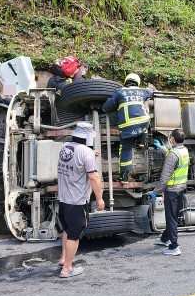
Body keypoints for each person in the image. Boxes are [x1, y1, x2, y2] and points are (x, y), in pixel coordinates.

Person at [57, 122, 105, 278]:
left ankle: (63, 259)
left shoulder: (65, 147)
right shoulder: (86, 153)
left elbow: (77, 158)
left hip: (63, 198)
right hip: (76, 200)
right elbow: (94, 177)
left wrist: (91, 154)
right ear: (88, 137)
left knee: (67, 229)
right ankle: (67, 269)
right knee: (75, 234)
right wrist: (99, 199)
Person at [102, 73, 153, 184]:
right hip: (142, 122)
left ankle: (124, 177)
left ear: (126, 81)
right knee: (146, 120)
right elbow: (150, 91)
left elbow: (106, 108)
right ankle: (142, 140)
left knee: (125, 149)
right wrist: (150, 89)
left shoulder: (119, 92)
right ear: (137, 82)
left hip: (127, 126)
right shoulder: (142, 91)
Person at [152, 129, 189, 256]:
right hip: (181, 188)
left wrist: (156, 191)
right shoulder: (183, 150)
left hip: (172, 190)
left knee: (171, 218)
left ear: (173, 139)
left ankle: (174, 246)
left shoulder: (173, 154)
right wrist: (161, 148)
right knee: (173, 215)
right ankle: (164, 239)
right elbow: (171, 154)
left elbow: (165, 176)